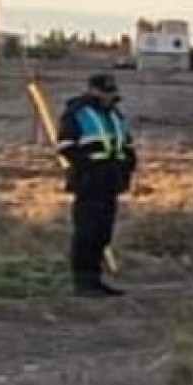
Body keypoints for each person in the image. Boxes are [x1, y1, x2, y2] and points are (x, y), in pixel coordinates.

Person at [56, 73, 137, 297]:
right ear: (93, 91)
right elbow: (65, 146)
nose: (110, 97)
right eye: (106, 92)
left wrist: (126, 167)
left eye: (112, 93)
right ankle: (82, 281)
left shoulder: (114, 115)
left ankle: (95, 279)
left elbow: (126, 144)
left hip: (111, 183)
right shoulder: (77, 113)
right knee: (87, 232)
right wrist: (90, 168)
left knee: (103, 232)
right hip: (88, 183)